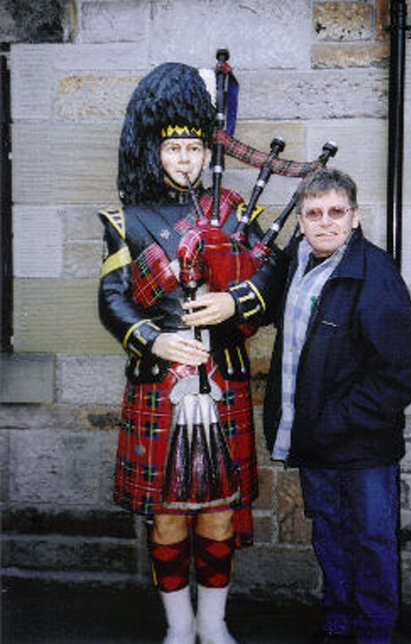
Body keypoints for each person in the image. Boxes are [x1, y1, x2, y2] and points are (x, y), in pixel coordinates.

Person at [187, 167, 411, 644]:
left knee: (372, 541)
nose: (325, 223)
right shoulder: (296, 261)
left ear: (355, 218)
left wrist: (335, 422)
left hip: (361, 447)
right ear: (300, 221)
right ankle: (338, 622)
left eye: (337, 212)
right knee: (330, 535)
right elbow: (258, 300)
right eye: (313, 213)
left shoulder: (374, 276)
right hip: (313, 439)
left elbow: (399, 376)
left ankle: (375, 633)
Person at [98, 61, 263, 644]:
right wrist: (155, 338)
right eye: (175, 149)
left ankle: (214, 625)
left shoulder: (236, 210)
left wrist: (235, 304)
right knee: (167, 515)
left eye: (194, 147)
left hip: (221, 382)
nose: (186, 159)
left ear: (206, 150)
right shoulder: (128, 220)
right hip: (158, 382)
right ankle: (178, 627)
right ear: (155, 151)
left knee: (218, 510)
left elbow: (273, 277)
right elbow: (112, 300)